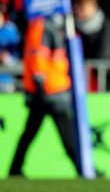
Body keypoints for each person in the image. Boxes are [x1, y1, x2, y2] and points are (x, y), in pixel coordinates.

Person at [9, 14, 80, 177]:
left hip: (51, 91)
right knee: (65, 135)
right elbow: (38, 58)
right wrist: (40, 85)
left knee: (29, 134)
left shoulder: (51, 26)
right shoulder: (42, 26)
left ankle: (15, 168)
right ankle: (83, 168)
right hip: (49, 92)